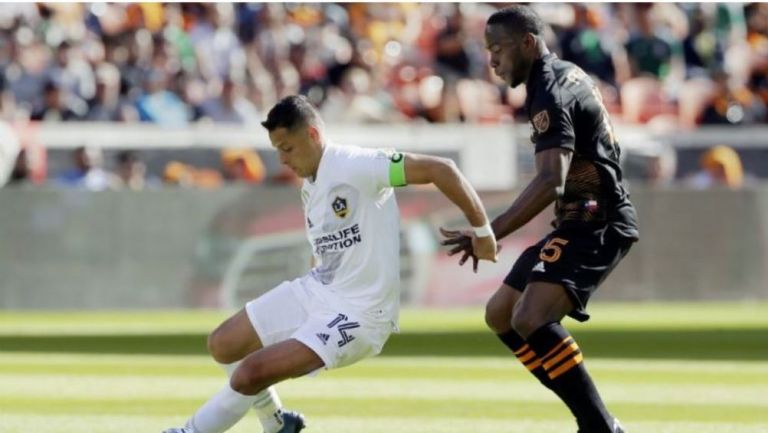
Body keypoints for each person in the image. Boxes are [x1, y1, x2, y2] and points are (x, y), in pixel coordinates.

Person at [163, 94, 498, 433]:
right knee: (223, 343)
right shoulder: (312, 183)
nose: (281, 159)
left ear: (312, 135)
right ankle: (277, 423)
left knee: (251, 372)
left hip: (361, 313)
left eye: (287, 148)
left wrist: (483, 232)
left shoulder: (356, 164)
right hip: (318, 291)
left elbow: (441, 169)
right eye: (277, 149)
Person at [442, 6, 639, 433]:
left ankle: (600, 426)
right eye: (487, 49)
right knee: (501, 313)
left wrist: (488, 233)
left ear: (528, 43)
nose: (492, 59)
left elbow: (552, 179)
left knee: (530, 318)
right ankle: (595, 422)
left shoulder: (548, 88)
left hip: (598, 219)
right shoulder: (559, 76)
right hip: (578, 218)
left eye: (499, 49)